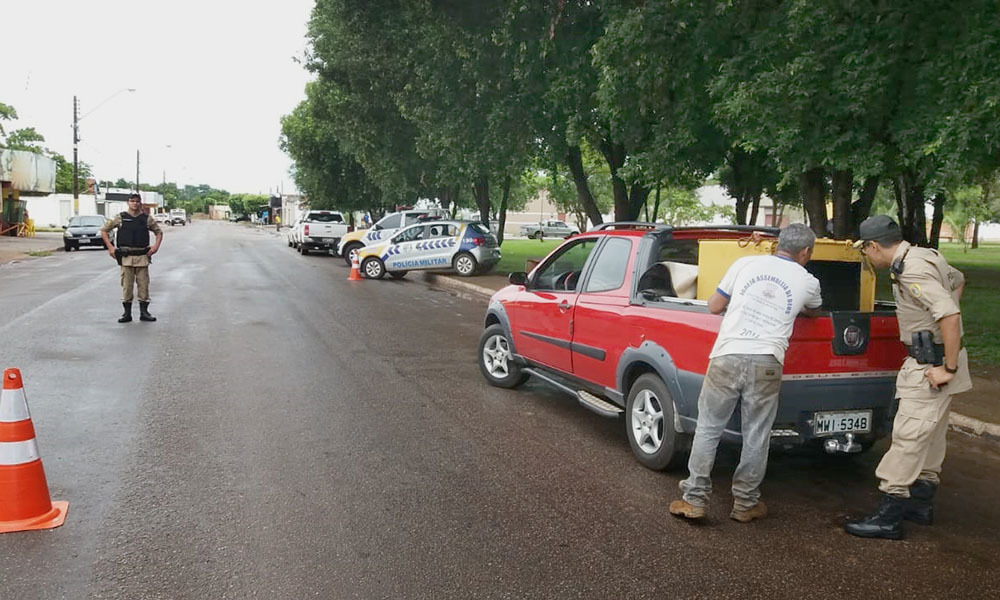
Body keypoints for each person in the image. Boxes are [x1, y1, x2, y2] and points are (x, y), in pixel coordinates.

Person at [670, 223, 823, 523]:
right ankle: (745, 504)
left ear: (778, 244)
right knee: (756, 433)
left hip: (727, 355)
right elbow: (814, 310)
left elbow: (715, 306)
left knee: (709, 427)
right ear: (805, 252)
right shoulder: (808, 281)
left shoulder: (745, 263)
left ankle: (695, 499)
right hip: (767, 361)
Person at [844, 215, 972, 540]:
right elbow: (959, 279)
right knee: (930, 437)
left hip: (931, 367)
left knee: (908, 438)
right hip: (938, 361)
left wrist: (948, 366)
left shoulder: (912, 268)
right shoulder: (926, 255)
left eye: (866, 251)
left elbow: (950, 314)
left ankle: (888, 517)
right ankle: (920, 505)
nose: (868, 257)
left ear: (873, 245)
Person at [100, 193, 164, 323]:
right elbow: (104, 230)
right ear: (128, 202)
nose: (135, 203)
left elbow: (158, 232)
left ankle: (144, 312)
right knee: (127, 286)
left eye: (137, 201)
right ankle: (126, 313)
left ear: (140, 202)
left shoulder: (146, 218)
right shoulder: (120, 218)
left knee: (143, 286)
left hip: (142, 257)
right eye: (132, 201)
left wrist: (155, 247)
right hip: (126, 257)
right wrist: (110, 247)